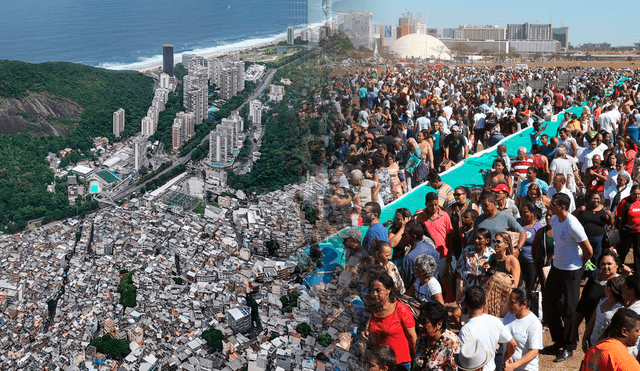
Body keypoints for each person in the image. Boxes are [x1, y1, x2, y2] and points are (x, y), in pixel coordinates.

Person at [542, 193, 593, 363]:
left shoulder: (573, 224)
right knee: (548, 302)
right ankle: (559, 340)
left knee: (571, 310)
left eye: (553, 205)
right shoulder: (555, 220)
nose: (550, 207)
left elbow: (589, 250)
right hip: (557, 268)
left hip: (572, 270)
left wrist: (581, 263)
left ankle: (569, 346)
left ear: (562, 207)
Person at [570, 251, 626, 350]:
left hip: (615, 338)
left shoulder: (623, 282)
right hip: (594, 334)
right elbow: (581, 307)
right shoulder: (592, 282)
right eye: (603, 264)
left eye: (609, 264)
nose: (606, 266)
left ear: (617, 265)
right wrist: (574, 331)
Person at [366, 271, 417, 371]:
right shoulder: (371, 310)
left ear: (388, 290)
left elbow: (412, 337)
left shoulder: (401, 309)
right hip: (379, 365)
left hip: (400, 364)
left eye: (378, 290)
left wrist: (417, 361)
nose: (374, 294)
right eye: (372, 290)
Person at [459, 286, 517, 371]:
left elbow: (466, 362)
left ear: (465, 303)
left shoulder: (465, 330)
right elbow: (513, 343)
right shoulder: (495, 321)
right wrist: (507, 357)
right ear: (485, 302)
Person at [502, 288, 544, 371]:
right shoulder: (509, 315)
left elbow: (534, 351)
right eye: (509, 301)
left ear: (524, 304)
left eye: (512, 302)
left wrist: (514, 366)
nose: (508, 305)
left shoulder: (534, 323)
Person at [574, 191, 614, 275]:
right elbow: (572, 217)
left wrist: (610, 215)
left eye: (598, 198)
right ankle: (583, 274)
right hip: (584, 238)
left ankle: (594, 275)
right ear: (589, 199)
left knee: (597, 256)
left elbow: (610, 223)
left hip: (599, 238)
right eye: (593, 198)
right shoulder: (583, 208)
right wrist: (578, 210)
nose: (596, 200)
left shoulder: (604, 209)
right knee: (584, 255)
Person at [581, 276, 625, 352]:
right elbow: (592, 320)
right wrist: (585, 338)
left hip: (606, 348)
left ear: (608, 289)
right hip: (593, 342)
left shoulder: (620, 308)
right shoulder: (602, 300)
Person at [415, 192, 454, 279]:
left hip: (442, 255)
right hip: (426, 255)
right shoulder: (420, 217)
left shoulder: (445, 216)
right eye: (431, 205)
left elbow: (449, 235)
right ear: (426, 204)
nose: (434, 208)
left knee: (441, 277)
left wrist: (449, 253)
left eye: (436, 205)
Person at [413, 301, 461, 371]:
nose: (419, 325)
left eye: (425, 322)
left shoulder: (451, 343)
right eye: (419, 320)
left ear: (439, 325)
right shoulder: (421, 339)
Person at [400, 221, 439, 289]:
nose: (402, 235)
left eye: (405, 234)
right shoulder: (431, 248)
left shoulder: (409, 257)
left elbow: (406, 282)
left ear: (413, 237)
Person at [517, 202, 543, 291]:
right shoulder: (518, 222)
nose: (523, 214)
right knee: (518, 285)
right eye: (522, 212)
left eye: (526, 212)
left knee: (530, 286)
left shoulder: (538, 227)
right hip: (518, 261)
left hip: (531, 262)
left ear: (533, 213)